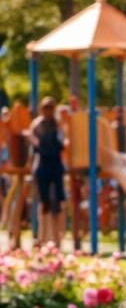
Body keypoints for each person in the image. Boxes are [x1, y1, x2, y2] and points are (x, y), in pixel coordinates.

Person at [28, 96, 67, 248]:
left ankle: (56, 238)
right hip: (43, 164)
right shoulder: (37, 125)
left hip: (55, 165)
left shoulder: (57, 126)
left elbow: (62, 141)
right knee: (44, 202)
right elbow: (33, 141)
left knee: (57, 202)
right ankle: (43, 237)